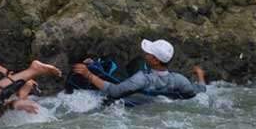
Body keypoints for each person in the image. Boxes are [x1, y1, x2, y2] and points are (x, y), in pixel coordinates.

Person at [72, 39, 206, 101]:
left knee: (115, 61)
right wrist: (200, 75)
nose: (145, 53)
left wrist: (88, 74)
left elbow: (114, 92)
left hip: (132, 95)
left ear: (155, 60)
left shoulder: (142, 78)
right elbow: (199, 92)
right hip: (153, 98)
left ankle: (96, 63)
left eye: (148, 53)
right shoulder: (180, 80)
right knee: (138, 61)